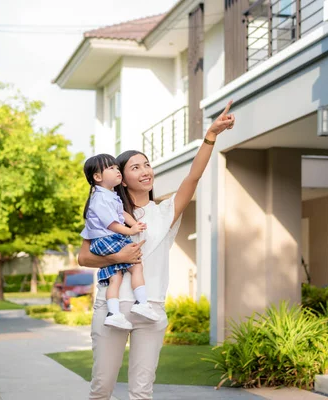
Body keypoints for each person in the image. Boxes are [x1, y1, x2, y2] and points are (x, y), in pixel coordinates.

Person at [78, 101, 235, 400]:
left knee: (142, 392)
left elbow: (193, 177)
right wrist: (118, 257)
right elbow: (83, 257)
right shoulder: (105, 213)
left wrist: (211, 135)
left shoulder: (165, 212)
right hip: (112, 309)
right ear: (120, 177)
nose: (146, 171)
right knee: (101, 389)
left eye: (147, 164)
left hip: (150, 309)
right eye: (135, 167)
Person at [81, 153, 160, 331]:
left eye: (117, 168)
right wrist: (130, 230)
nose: (117, 171)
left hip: (104, 240)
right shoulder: (100, 198)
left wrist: (134, 223)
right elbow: (112, 223)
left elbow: (121, 214)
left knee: (115, 278)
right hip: (107, 238)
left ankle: (113, 314)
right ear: (97, 177)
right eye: (111, 168)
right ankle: (141, 302)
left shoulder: (108, 195)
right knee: (136, 265)